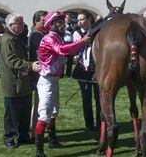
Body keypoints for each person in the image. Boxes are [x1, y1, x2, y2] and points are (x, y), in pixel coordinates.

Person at [34, 12, 90, 157]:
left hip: (54, 79)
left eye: (62, 22)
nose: (63, 24)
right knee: (44, 114)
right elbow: (62, 50)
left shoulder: (57, 37)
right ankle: (39, 150)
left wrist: (84, 43)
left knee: (53, 111)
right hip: (46, 81)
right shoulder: (49, 38)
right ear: (51, 25)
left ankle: (52, 140)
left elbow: (70, 50)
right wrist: (82, 41)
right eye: (58, 22)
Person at [0, 13, 41, 149]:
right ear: (10, 25)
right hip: (13, 82)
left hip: (23, 81)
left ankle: (23, 135)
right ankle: (9, 137)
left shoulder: (17, 37)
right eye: (19, 23)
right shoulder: (7, 40)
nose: (23, 26)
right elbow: (12, 61)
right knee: (12, 113)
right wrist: (31, 66)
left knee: (24, 111)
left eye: (23, 23)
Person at [72, 12, 101, 131]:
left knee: (99, 98)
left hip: (97, 69)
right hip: (83, 69)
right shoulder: (77, 33)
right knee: (86, 98)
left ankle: (100, 124)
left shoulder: (98, 30)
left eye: (82, 19)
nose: (79, 22)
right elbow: (76, 49)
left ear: (89, 19)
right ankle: (89, 125)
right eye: (78, 20)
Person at [28, 10, 48, 140]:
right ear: (36, 22)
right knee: (39, 104)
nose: (45, 22)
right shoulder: (37, 35)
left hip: (39, 71)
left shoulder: (40, 33)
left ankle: (34, 130)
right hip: (38, 72)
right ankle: (34, 132)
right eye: (43, 20)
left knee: (40, 103)